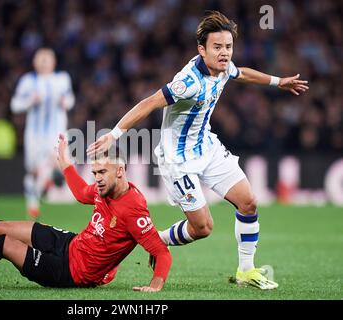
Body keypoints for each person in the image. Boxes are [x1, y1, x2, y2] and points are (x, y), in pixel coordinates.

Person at [87, 11, 309, 290]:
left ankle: (246, 270)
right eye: (217, 47)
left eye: (228, 46)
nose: (225, 52)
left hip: (206, 146)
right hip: (178, 160)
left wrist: (279, 82)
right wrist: (115, 134)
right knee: (202, 228)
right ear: (201, 50)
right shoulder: (187, 82)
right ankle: (152, 239)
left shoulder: (224, 65)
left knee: (248, 202)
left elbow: (242, 74)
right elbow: (149, 102)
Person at [0, 134, 172, 292]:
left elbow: (162, 253)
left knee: (2, 244)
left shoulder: (133, 208)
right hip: (71, 244)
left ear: (120, 171)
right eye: (94, 173)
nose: (97, 179)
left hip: (72, 273)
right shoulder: (103, 190)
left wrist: (155, 284)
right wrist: (66, 164)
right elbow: (82, 193)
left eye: (102, 173)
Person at [10, 48, 75, 220]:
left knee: (62, 164)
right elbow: (15, 105)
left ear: (54, 61)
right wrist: (30, 101)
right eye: (41, 59)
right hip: (34, 134)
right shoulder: (28, 81)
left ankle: (50, 179)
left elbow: (70, 100)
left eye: (48, 59)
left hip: (57, 132)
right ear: (35, 62)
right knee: (32, 171)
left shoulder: (62, 79)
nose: (44, 62)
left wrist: (65, 102)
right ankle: (33, 203)